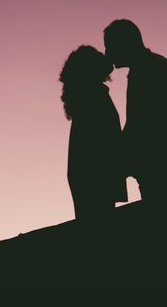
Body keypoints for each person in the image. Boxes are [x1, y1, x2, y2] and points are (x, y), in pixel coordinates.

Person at [103, 19, 167, 202]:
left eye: (109, 46)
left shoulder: (146, 70)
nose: (108, 54)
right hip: (166, 163)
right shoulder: (151, 65)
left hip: (160, 165)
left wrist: (117, 157)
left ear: (123, 43)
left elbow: (141, 123)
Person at [60, 45, 127, 224]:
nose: (104, 56)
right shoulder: (93, 96)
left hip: (92, 177)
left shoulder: (91, 95)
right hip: (96, 178)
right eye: (97, 56)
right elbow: (106, 140)